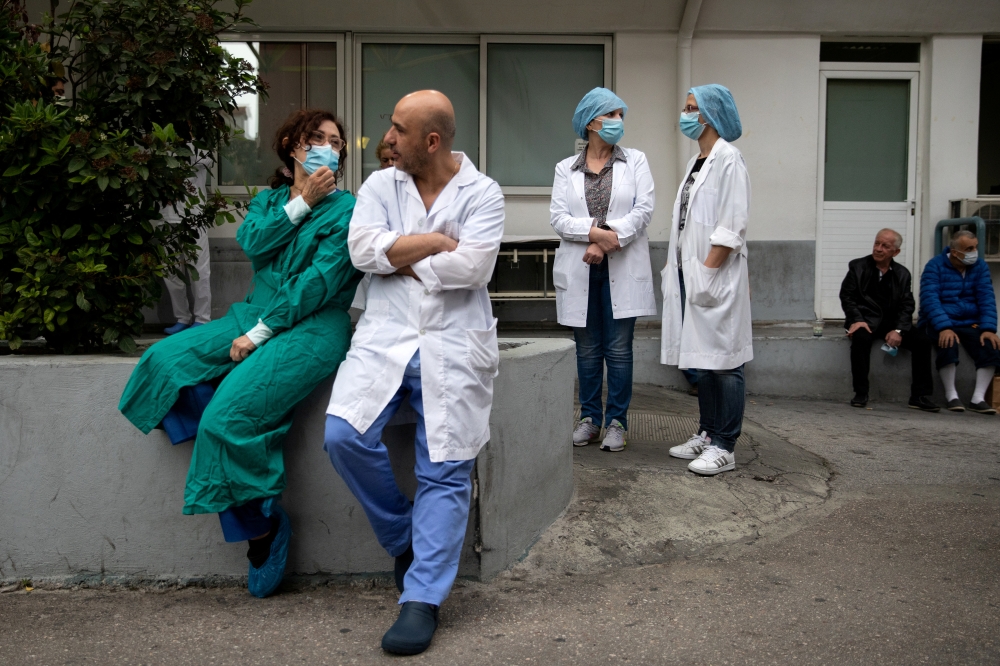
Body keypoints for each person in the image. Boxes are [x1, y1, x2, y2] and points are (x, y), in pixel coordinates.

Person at [118, 109, 362, 597]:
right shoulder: (272, 200)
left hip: (311, 328)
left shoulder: (349, 209)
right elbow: (253, 241)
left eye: (336, 143)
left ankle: (262, 529)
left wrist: (262, 333)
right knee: (162, 363)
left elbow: (320, 282)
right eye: (318, 138)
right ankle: (235, 434)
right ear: (294, 147)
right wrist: (300, 202)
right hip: (251, 312)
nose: (328, 148)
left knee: (224, 421)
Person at [323, 90, 504, 656]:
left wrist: (399, 258)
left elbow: (473, 267)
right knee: (343, 435)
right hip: (386, 341)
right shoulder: (381, 185)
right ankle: (404, 534)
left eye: (399, 130)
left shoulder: (485, 193)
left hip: (455, 347)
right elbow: (362, 251)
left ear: (432, 141)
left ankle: (423, 597)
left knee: (446, 469)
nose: (388, 138)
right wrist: (431, 243)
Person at [550, 87, 656, 452]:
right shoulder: (566, 168)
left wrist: (604, 240)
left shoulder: (636, 161)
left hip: (620, 264)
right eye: (611, 116)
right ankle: (589, 418)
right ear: (591, 122)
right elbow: (559, 218)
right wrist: (593, 234)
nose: (618, 122)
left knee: (619, 349)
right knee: (588, 349)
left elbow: (643, 211)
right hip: (582, 268)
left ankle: (617, 423)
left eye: (620, 116)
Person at [660, 84, 752, 476]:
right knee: (704, 359)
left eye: (691, 107)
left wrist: (708, 273)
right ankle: (708, 432)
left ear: (711, 115)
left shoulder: (730, 160)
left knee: (725, 362)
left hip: (713, 274)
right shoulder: (696, 162)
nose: (684, 112)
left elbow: (732, 225)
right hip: (691, 271)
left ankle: (726, 446)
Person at [839, 229, 937, 411]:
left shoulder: (902, 274)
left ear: (895, 252)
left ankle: (919, 396)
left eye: (885, 246)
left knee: (922, 342)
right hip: (864, 320)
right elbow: (847, 297)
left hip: (890, 323)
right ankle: (861, 393)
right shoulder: (857, 267)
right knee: (860, 339)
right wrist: (857, 319)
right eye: (877, 243)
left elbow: (907, 305)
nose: (878, 249)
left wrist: (899, 329)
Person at [918, 230, 1000, 414]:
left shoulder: (980, 266)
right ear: (955, 252)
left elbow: (987, 297)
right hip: (941, 321)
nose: (974, 252)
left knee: (990, 345)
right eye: (969, 248)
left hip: (970, 321)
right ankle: (951, 396)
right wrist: (945, 327)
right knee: (948, 343)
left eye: (975, 247)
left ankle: (978, 398)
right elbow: (930, 300)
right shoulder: (935, 266)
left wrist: (988, 328)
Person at [161, 150, 213, 335]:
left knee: (199, 268)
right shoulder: (162, 142)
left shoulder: (200, 145)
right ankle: (182, 317)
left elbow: (206, 161)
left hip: (194, 216)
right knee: (170, 270)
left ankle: (202, 318)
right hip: (166, 216)